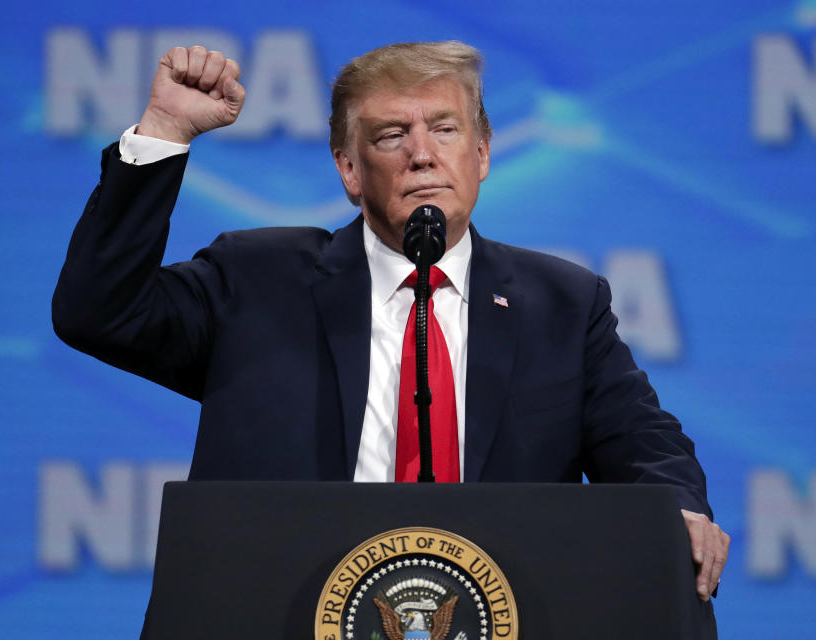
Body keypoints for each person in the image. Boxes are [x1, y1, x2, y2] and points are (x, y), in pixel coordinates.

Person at [53, 41, 729, 600]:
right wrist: (165, 134)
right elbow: (99, 312)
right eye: (390, 136)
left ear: (483, 154)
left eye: (444, 128)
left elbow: (644, 443)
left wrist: (677, 512)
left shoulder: (563, 303)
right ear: (349, 170)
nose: (422, 154)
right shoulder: (256, 278)